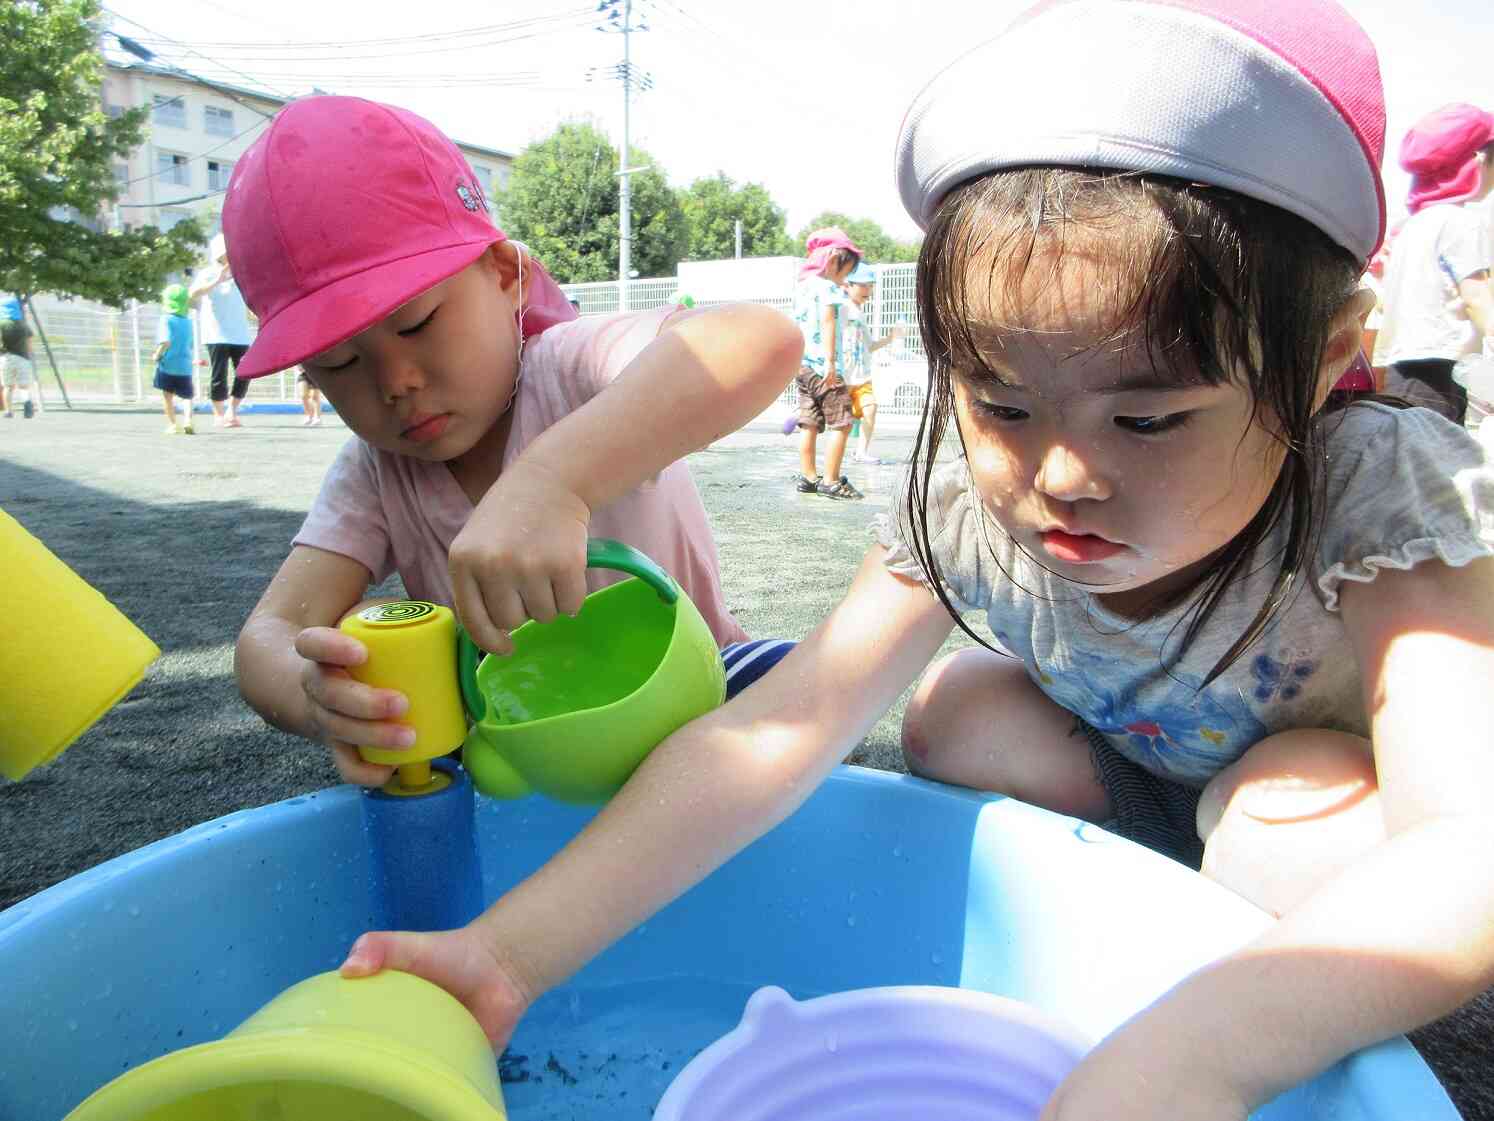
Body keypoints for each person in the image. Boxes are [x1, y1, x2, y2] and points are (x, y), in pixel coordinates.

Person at [337, 5, 1494, 1120]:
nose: (1062, 476)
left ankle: (1231, 894)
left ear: (1325, 356)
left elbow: (1471, 847)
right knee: (951, 714)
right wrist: (507, 954)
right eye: (1000, 402)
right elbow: (772, 731)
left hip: (1312, 785)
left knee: (1276, 820)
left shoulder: (1380, 493)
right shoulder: (964, 498)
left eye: (1149, 421)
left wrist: (1199, 1051)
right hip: (1136, 766)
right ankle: (1159, 867)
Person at [227, 96, 801, 787]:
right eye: (339, 364)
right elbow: (265, 638)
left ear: (506, 275)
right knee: (411, 768)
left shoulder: (572, 367)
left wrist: (555, 480)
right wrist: (322, 701)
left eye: (416, 323)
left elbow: (758, 340)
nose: (395, 381)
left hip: (696, 697)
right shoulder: (375, 472)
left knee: (802, 684)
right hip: (520, 741)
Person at [1375, 104, 1494, 423]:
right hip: (1442, 369)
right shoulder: (1462, 223)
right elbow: (1477, 296)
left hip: (1401, 366)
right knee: (1440, 464)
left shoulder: (1412, 227)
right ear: (1477, 162)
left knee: (1408, 456)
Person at [790, 227, 864, 499]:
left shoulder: (803, 287)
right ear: (833, 258)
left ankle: (808, 477)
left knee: (809, 423)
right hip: (825, 367)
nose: (845, 277)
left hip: (803, 366)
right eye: (846, 271)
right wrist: (831, 362)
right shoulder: (827, 289)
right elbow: (827, 321)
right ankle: (831, 480)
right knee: (842, 423)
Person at [188, 232, 255, 428]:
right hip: (216, 333)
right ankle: (218, 414)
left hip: (239, 333)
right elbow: (192, 293)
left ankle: (232, 410)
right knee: (219, 375)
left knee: (245, 372)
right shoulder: (208, 273)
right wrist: (217, 280)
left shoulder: (242, 273)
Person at [841, 261, 903, 464]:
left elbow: (869, 346)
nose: (868, 290)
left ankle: (861, 452)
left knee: (870, 408)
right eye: (863, 285)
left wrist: (890, 338)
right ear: (848, 285)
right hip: (842, 376)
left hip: (861, 377)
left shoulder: (859, 313)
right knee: (833, 420)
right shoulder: (842, 307)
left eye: (870, 286)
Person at [153, 284, 195, 435]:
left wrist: (157, 355)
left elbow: (165, 341)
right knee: (187, 396)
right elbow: (190, 344)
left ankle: (173, 425)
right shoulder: (188, 322)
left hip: (168, 365)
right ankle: (188, 421)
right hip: (185, 366)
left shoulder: (166, 320)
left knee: (167, 396)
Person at [1, 296, 36, 420]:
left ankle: (8, 412)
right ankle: (26, 402)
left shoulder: (2, 324)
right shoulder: (23, 325)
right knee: (23, 386)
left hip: (5, 358)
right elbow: (30, 342)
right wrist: (30, 355)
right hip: (22, 357)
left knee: (8, 386)